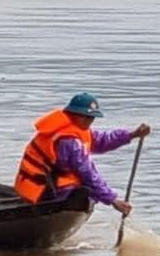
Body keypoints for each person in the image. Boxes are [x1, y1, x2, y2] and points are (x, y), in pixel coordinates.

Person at [14, 92, 151, 216]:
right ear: (73, 114)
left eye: (91, 117)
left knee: (88, 192)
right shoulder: (68, 140)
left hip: (50, 187)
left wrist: (132, 135)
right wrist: (112, 200)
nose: (89, 120)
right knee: (86, 191)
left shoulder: (79, 131)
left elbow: (102, 140)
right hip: (45, 191)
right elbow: (87, 172)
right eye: (85, 116)